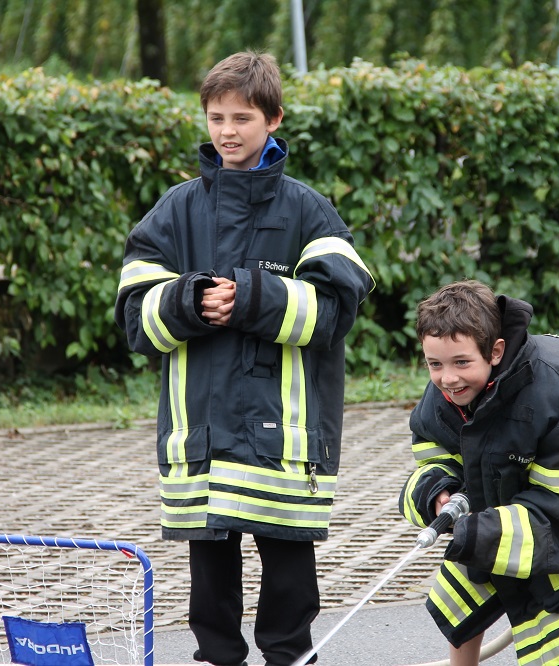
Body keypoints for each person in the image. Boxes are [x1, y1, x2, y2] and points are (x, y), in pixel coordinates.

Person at [114, 50, 374, 666]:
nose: (227, 131)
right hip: (200, 437)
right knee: (209, 584)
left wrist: (253, 297)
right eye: (215, 117)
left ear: (274, 119)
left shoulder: (309, 211)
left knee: (289, 579)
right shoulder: (174, 210)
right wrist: (191, 302)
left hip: (282, 443)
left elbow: (338, 311)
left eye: (242, 118)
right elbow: (133, 319)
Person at [398, 280, 559, 666]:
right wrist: (439, 490)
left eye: (461, 362)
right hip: (520, 461)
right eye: (435, 364)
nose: (448, 378)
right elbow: (434, 450)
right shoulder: (450, 390)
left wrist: (486, 530)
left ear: (495, 352)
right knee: (474, 557)